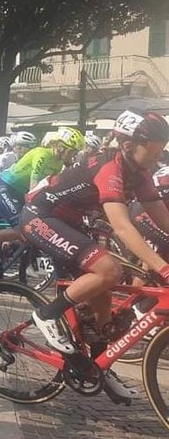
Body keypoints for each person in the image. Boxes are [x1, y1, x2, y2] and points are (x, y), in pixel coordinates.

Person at [22, 110, 169, 404]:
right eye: (153, 154)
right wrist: (163, 268)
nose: (157, 161)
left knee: (105, 288)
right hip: (41, 217)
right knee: (108, 271)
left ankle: (101, 364)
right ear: (128, 147)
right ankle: (46, 315)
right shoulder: (110, 169)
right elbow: (124, 226)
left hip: (71, 221)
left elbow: (162, 218)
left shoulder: (137, 172)